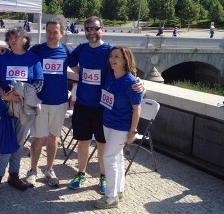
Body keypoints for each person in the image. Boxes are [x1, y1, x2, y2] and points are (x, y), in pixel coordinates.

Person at [68, 16, 143, 194]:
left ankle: (103, 176)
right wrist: (82, 74)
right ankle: (81, 173)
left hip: (103, 107)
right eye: (87, 29)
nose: (91, 32)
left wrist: (139, 81)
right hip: (83, 104)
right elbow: (72, 64)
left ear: (102, 29)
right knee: (83, 142)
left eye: (95, 28)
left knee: (102, 144)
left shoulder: (110, 50)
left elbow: (127, 69)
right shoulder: (82, 48)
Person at [0, 26, 43, 196]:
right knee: (6, 143)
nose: (12, 40)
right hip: (3, 109)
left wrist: (22, 93)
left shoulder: (33, 59)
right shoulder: (3, 59)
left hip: (26, 110)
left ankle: (13, 175)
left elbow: (39, 83)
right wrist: (5, 96)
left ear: (24, 40)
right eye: (10, 37)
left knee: (18, 145)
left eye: (16, 37)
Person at [26, 18, 73, 187]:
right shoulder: (37, 49)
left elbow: (81, 71)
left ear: (62, 34)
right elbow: (21, 59)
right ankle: (32, 170)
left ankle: (49, 169)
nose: (51, 35)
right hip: (39, 102)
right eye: (48, 31)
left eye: (55, 32)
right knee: (38, 138)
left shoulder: (67, 51)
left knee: (53, 138)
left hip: (59, 102)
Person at [94, 46, 142, 209]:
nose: (112, 59)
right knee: (117, 157)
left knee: (108, 157)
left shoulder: (131, 82)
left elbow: (137, 109)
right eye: (111, 56)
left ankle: (110, 196)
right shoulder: (110, 76)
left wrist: (132, 131)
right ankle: (119, 190)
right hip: (108, 122)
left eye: (117, 57)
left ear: (125, 60)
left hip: (121, 126)